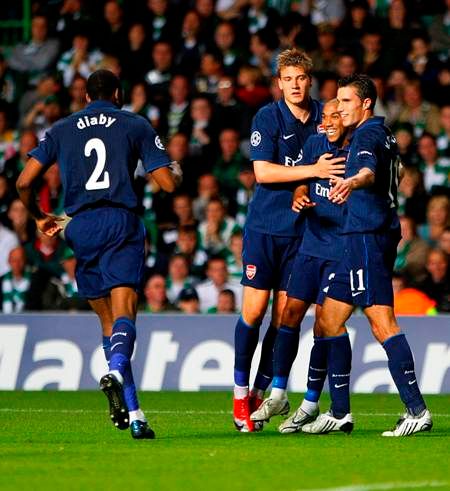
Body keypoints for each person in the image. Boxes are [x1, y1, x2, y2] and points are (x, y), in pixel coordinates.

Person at [16, 69, 178, 440]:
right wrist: (176, 172)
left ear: (86, 97)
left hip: (79, 227)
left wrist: (41, 217)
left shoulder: (60, 129)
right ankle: (118, 373)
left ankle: (136, 414)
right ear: (118, 94)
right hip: (119, 221)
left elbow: (24, 181)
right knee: (126, 313)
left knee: (108, 325)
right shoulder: (134, 123)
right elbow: (167, 183)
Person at [300, 74, 432, 437]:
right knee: (328, 320)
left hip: (367, 236)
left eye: (345, 102)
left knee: (381, 321)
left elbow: (367, 172)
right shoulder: (383, 133)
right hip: (359, 234)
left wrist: (350, 181)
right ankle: (340, 412)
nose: (339, 109)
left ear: (365, 104)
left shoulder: (367, 134)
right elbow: (396, 170)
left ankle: (416, 409)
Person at [232, 48, 345, 433]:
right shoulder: (267, 116)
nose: (295, 86)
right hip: (266, 227)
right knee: (254, 311)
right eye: (288, 80)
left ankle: (262, 394)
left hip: (305, 233)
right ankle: (238, 393)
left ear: (309, 81)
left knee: (286, 317)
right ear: (279, 83)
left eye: (301, 79)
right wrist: (312, 170)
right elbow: (262, 173)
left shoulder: (323, 118)